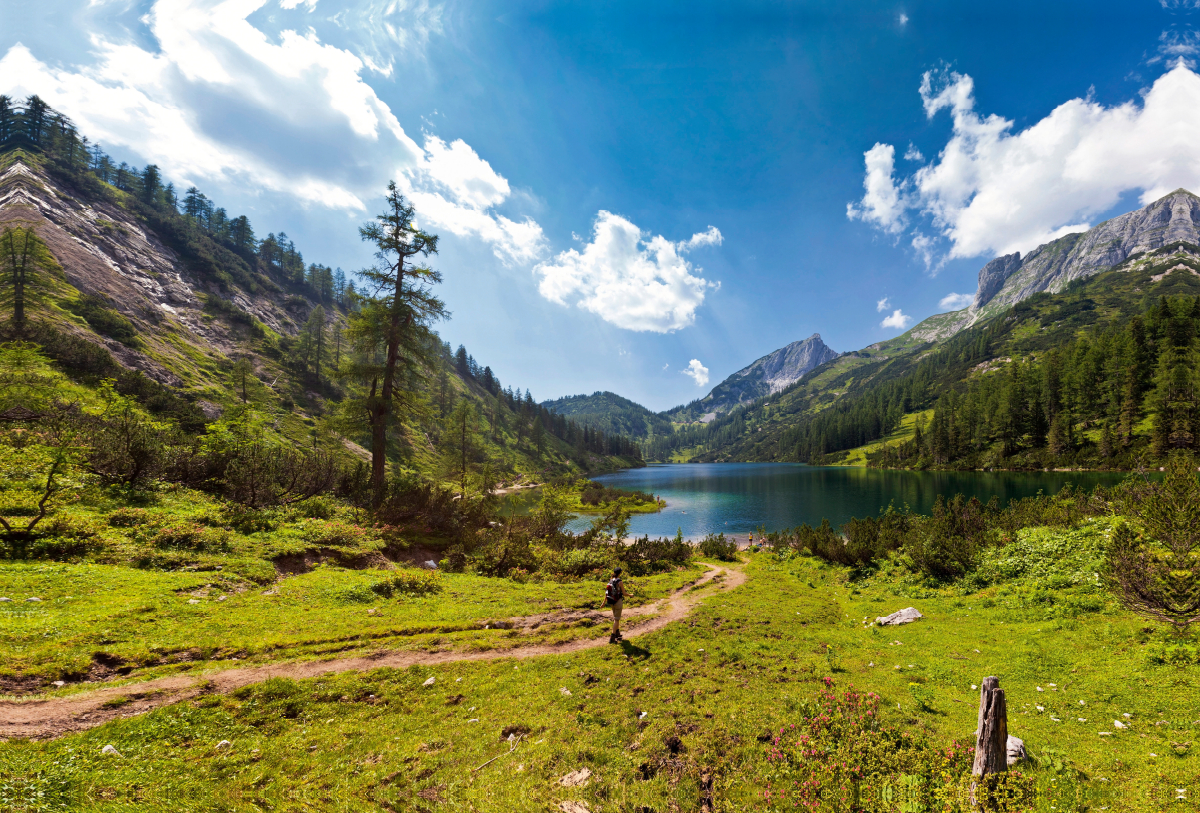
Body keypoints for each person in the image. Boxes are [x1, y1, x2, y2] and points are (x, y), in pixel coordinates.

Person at [605, 567, 625, 643]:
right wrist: (631, 595)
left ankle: (617, 633)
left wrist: (604, 602)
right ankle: (612, 637)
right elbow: (624, 593)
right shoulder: (620, 582)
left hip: (611, 601)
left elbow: (606, 593)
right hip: (618, 601)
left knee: (616, 618)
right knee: (616, 620)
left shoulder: (610, 581)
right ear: (620, 573)